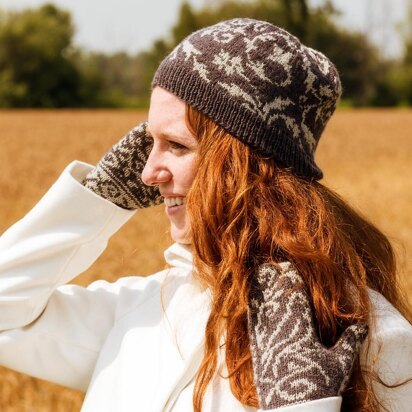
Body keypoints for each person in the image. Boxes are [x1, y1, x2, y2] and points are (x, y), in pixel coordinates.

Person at [0, 18, 411, 412]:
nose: (145, 173)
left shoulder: (365, 335)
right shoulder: (149, 309)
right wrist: (100, 197)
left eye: (176, 145)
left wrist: (305, 406)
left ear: (248, 163)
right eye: (149, 142)